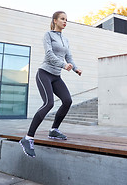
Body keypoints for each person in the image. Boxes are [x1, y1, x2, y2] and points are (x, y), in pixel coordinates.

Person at [19, 11, 82, 158]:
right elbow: (49, 54)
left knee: (67, 101)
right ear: (55, 20)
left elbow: (69, 57)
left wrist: (75, 68)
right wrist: (62, 64)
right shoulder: (48, 35)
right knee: (48, 103)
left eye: (67, 19)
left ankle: (54, 130)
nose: (65, 21)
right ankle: (27, 138)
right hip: (44, 74)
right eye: (62, 19)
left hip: (56, 76)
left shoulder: (66, 40)